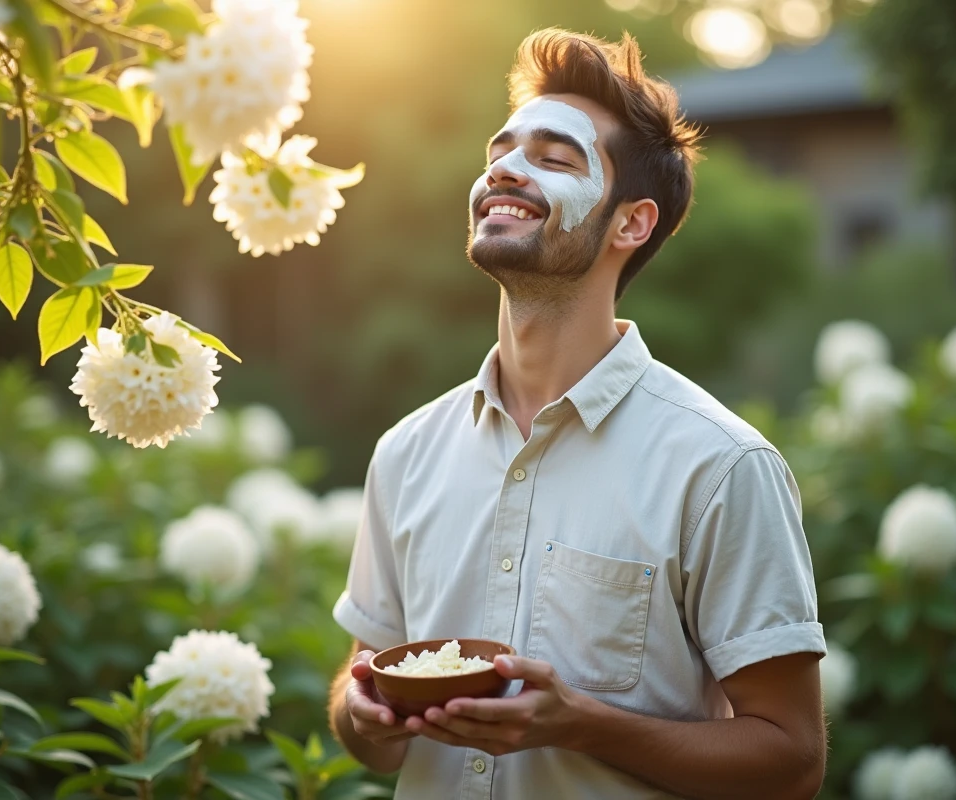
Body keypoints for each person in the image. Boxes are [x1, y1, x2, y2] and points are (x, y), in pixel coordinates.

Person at [327, 28, 827, 800]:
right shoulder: (405, 452)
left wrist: (583, 724)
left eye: (553, 159)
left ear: (631, 223)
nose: (504, 169)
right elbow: (365, 715)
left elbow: (792, 763)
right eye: (500, 151)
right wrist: (364, 713)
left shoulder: (721, 466)